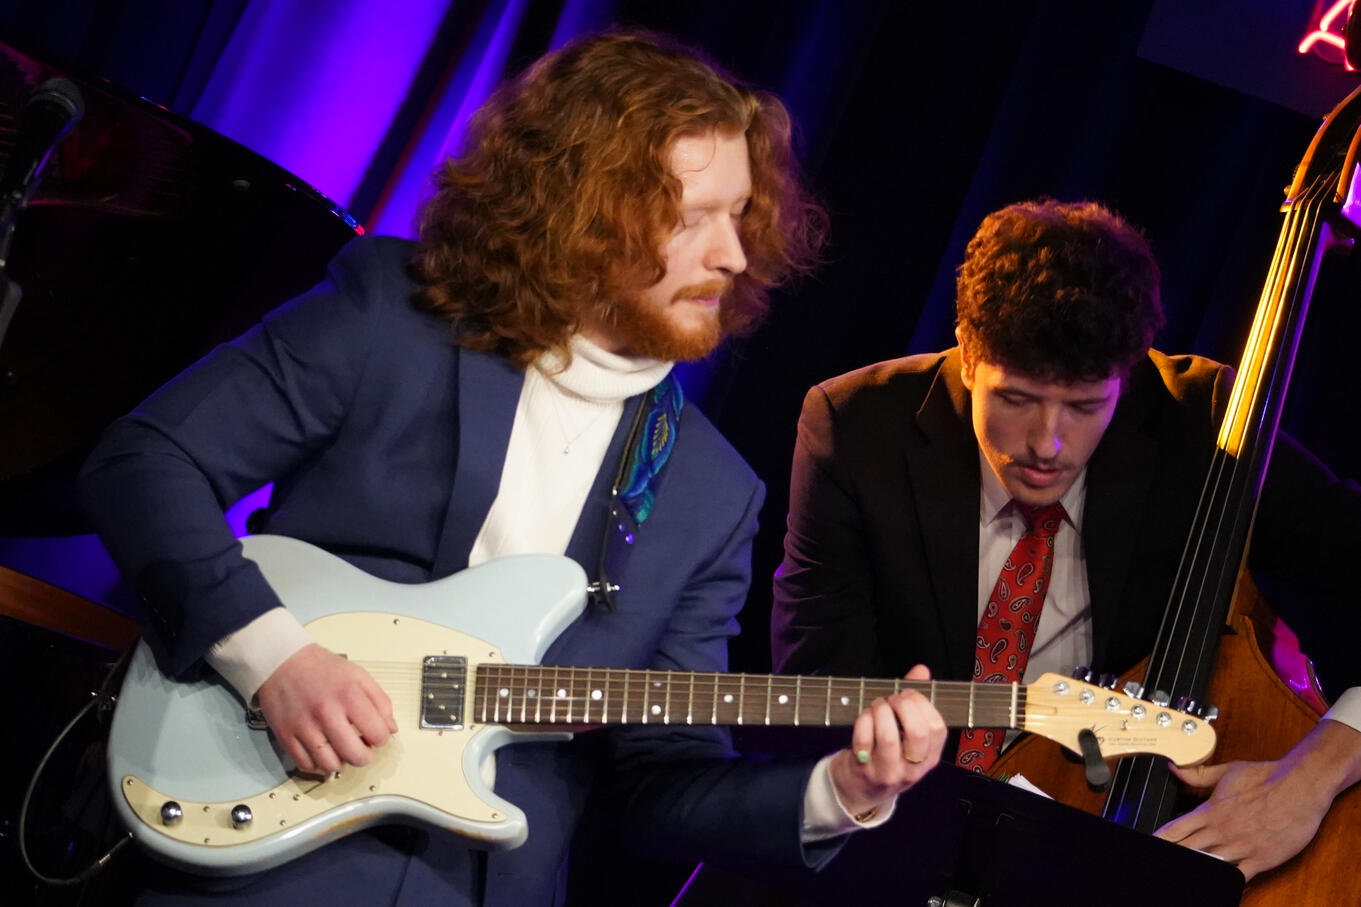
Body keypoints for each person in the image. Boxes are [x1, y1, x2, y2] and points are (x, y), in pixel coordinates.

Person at [79, 30, 948, 906]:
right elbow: (145, 459)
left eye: (740, 213)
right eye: (691, 217)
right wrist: (273, 657)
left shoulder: (710, 491)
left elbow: (659, 785)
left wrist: (842, 791)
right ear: (579, 207)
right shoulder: (394, 314)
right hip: (254, 848)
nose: (731, 253)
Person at [771, 199, 1361, 884]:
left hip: (1127, 836)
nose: (1046, 445)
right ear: (966, 349)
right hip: (899, 839)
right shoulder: (854, 428)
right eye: (1016, 397)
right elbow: (815, 691)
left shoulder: (1204, 427)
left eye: (1085, 406)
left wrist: (1318, 768)